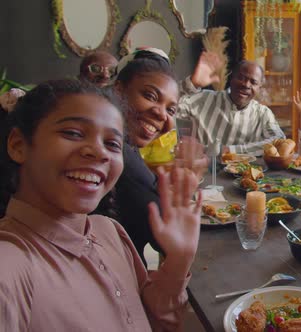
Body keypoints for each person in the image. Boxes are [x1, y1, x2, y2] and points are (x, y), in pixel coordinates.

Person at [0, 79, 202, 330]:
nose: (100, 152)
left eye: (112, 144)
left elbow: (150, 320)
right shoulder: (10, 266)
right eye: (73, 133)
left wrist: (178, 261)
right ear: (18, 145)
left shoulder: (109, 231)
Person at [93, 48, 207, 265]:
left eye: (171, 110)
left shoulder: (126, 147)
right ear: (118, 91)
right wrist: (183, 186)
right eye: (150, 96)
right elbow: (166, 237)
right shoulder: (116, 154)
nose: (162, 114)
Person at [177, 55, 285, 155]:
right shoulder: (203, 99)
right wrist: (192, 84)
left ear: (259, 88)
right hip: (202, 171)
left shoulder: (262, 113)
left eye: (253, 82)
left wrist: (230, 150)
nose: (246, 85)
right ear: (231, 78)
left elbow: (279, 140)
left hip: (245, 174)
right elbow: (167, 106)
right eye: (241, 78)